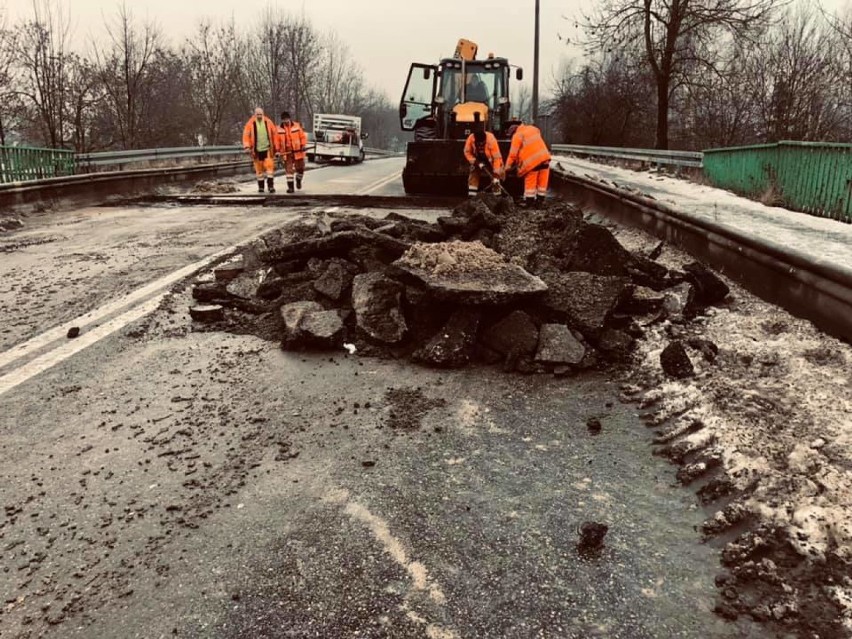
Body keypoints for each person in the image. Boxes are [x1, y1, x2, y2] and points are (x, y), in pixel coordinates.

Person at [504, 121, 552, 208]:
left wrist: (506, 168)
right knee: (542, 183)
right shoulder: (533, 129)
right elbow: (536, 135)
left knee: (530, 183)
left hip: (532, 162)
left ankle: (529, 203)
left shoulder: (517, 136)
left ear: (513, 132)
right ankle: (540, 202)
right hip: (545, 158)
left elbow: (512, 155)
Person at [242, 107, 279, 193]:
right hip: (256, 150)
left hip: (267, 149)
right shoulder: (250, 124)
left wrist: (277, 148)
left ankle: (270, 186)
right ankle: (261, 187)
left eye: (260, 114)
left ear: (263, 114)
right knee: (259, 170)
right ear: (254, 114)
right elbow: (246, 136)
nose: (259, 116)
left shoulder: (268, 122)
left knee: (269, 168)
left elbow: (275, 135)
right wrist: (247, 146)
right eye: (257, 114)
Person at [463, 125, 504, 197]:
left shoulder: (491, 139)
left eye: (482, 143)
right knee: (473, 173)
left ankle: (497, 196)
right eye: (479, 144)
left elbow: (497, 158)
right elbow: (467, 152)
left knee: (495, 179)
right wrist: (476, 162)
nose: (481, 145)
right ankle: (472, 196)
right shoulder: (471, 138)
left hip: (491, 160)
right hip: (477, 159)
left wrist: (496, 173)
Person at [278, 111, 308, 193]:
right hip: (287, 152)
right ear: (282, 120)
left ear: (289, 119)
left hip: (298, 151)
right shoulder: (279, 129)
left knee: (300, 168)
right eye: (284, 120)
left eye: (287, 119)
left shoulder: (297, 126)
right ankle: (290, 187)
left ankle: (298, 180)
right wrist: (277, 151)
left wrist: (303, 145)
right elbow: (277, 141)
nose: (285, 121)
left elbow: (302, 137)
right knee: (289, 170)